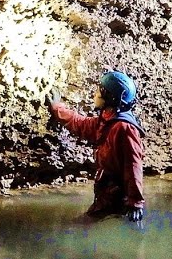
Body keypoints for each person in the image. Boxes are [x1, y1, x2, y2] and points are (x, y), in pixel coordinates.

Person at [46, 71, 146, 221]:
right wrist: (57, 108)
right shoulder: (107, 119)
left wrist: (135, 202)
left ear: (110, 97)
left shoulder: (124, 128)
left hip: (117, 194)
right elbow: (80, 124)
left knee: (82, 226)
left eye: (100, 90)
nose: (95, 94)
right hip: (106, 189)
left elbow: (133, 165)